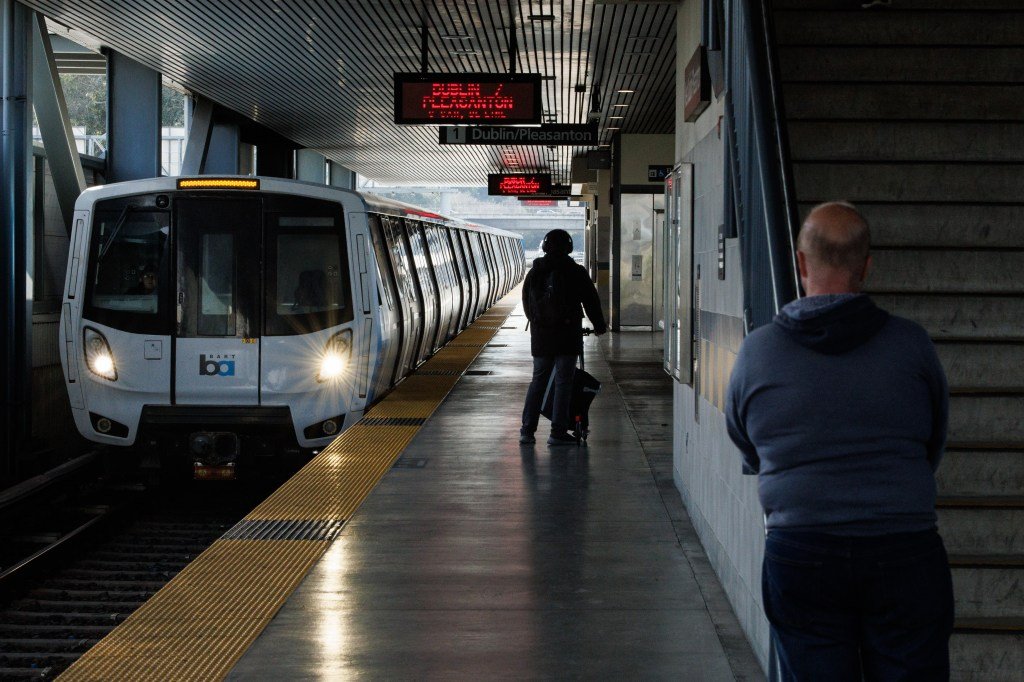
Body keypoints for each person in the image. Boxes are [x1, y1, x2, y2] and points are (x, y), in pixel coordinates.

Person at [725, 202, 953, 680]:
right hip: (905, 550)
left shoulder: (758, 351)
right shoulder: (911, 345)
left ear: (801, 264)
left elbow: (745, 442)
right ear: (867, 267)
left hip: (801, 547)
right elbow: (933, 439)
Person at [520, 229, 607, 446]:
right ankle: (557, 432)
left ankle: (527, 431)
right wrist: (599, 326)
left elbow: (527, 303)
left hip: (541, 338)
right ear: (569, 247)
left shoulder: (535, 271)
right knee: (563, 383)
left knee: (538, 382)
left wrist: (538, 323)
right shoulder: (575, 271)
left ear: (545, 246)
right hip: (568, 336)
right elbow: (590, 300)